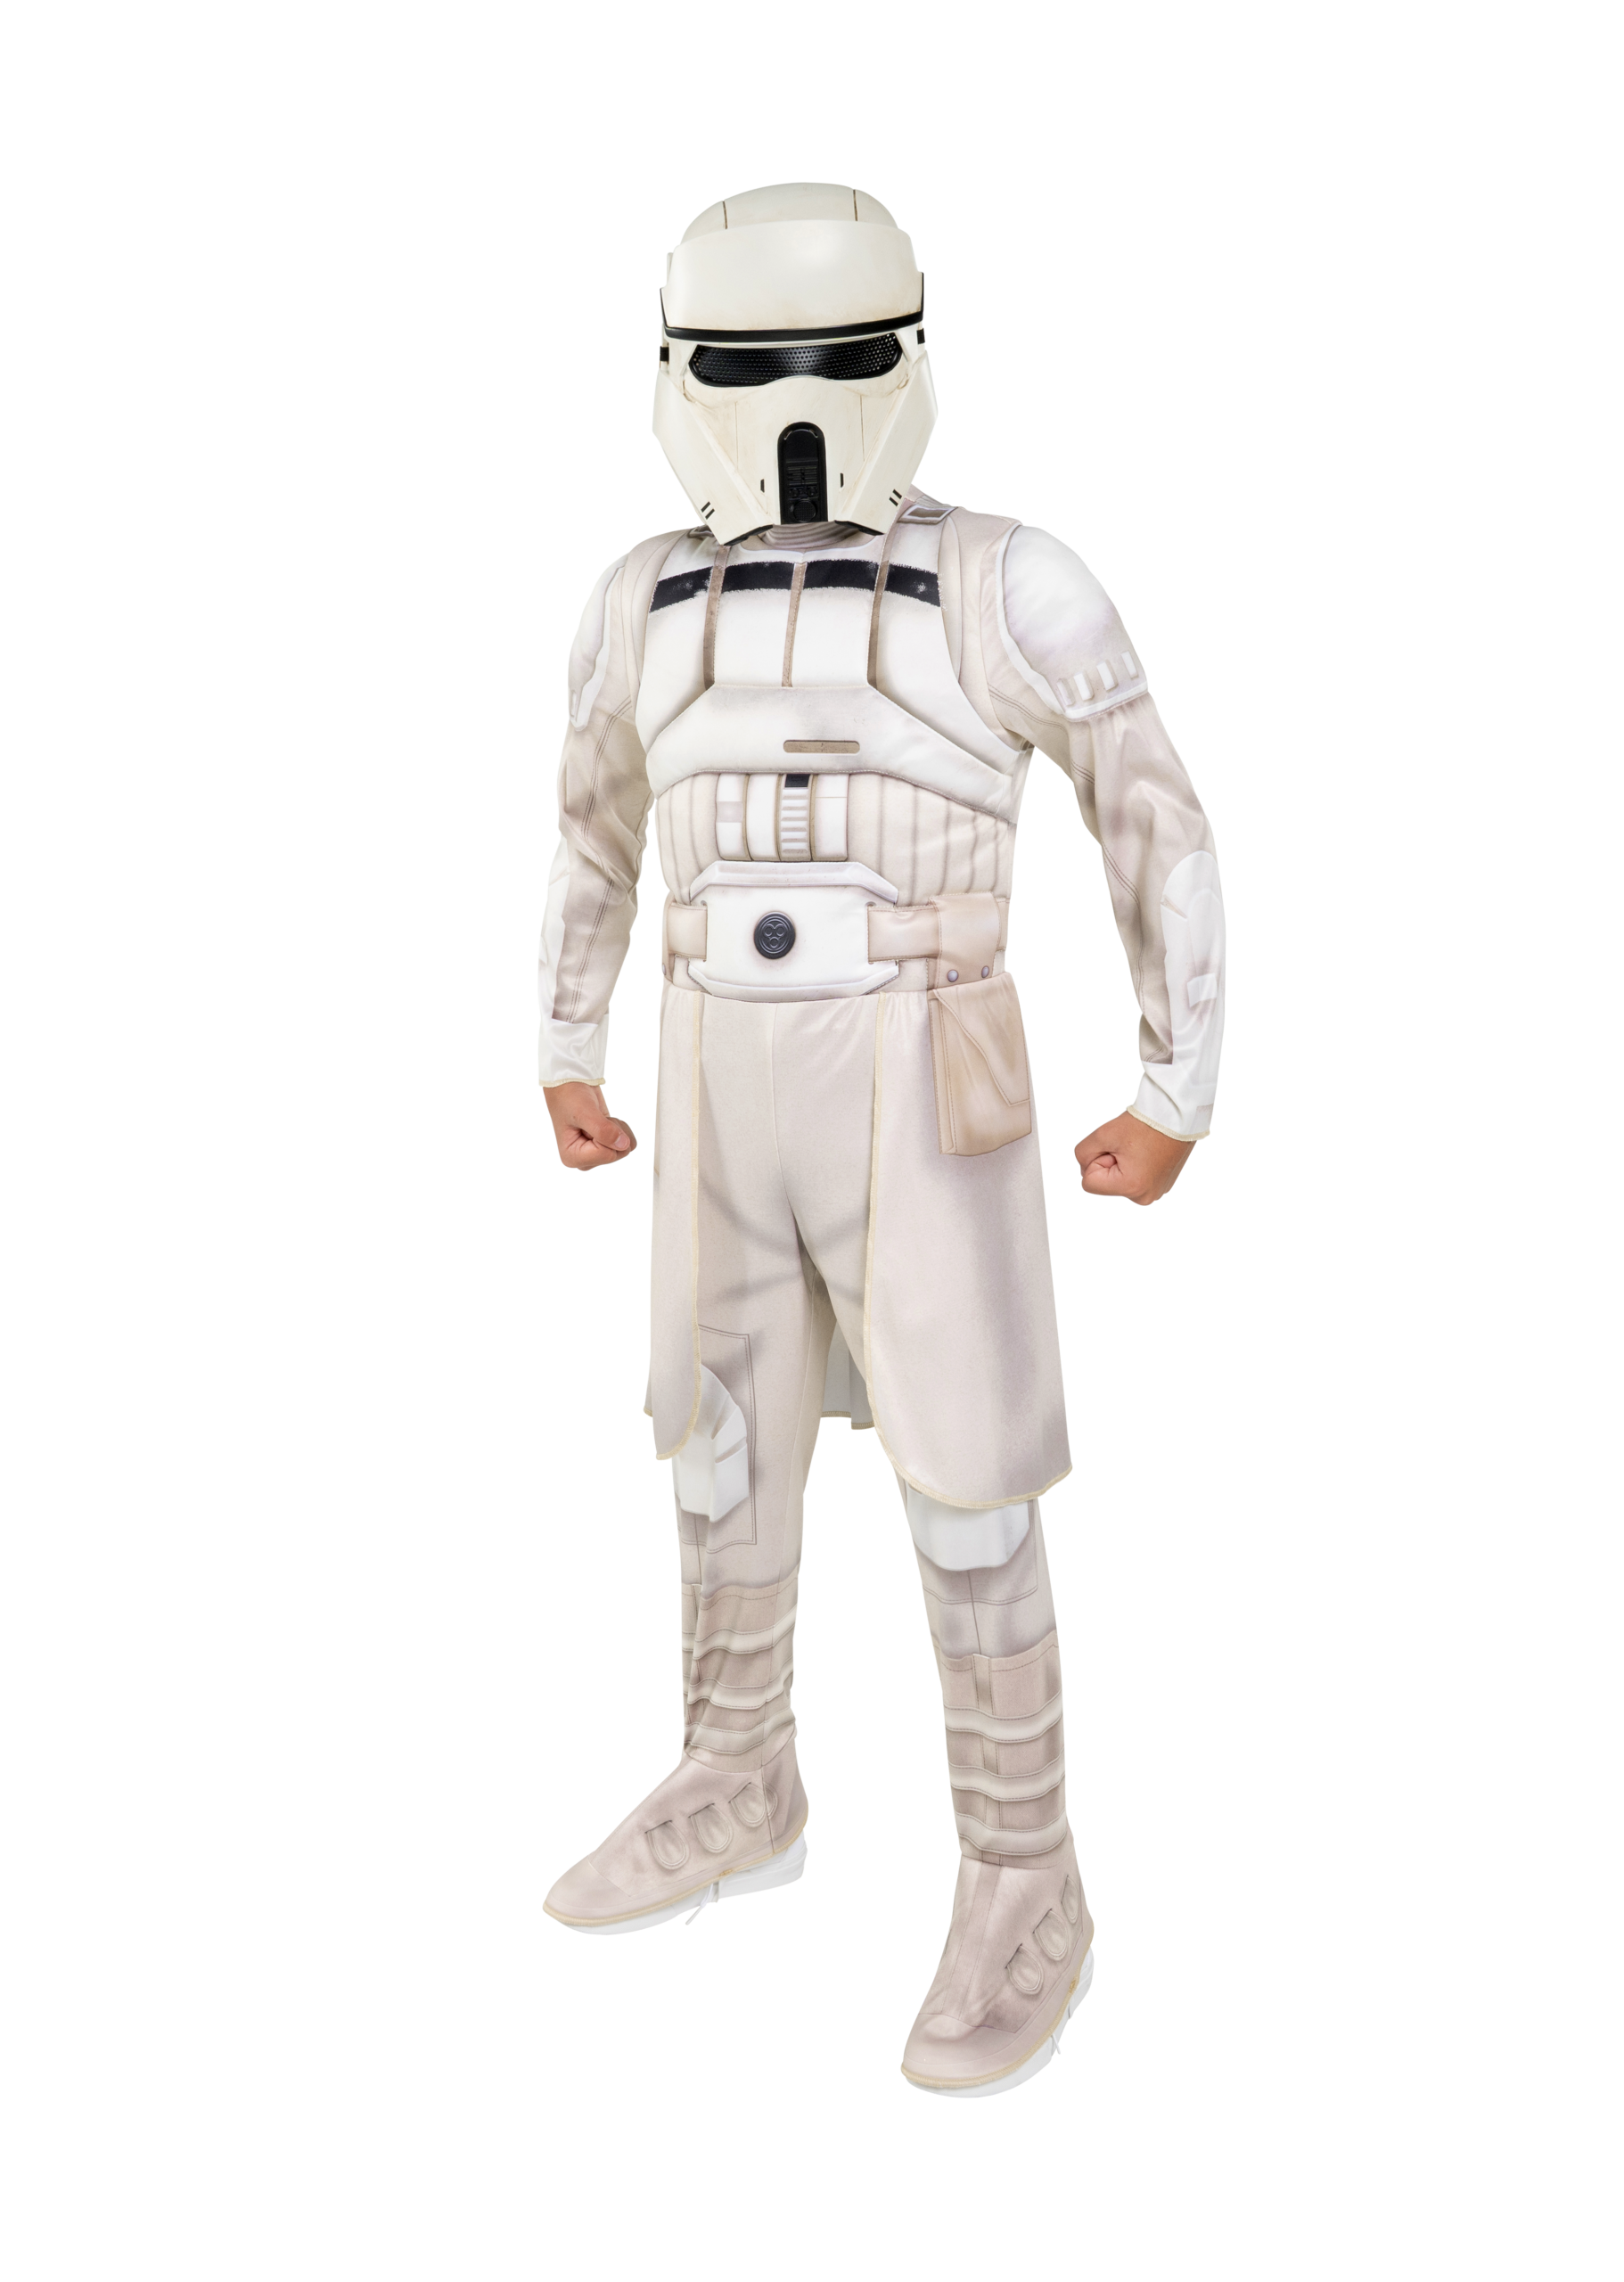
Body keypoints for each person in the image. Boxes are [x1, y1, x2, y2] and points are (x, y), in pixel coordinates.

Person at [533, 182, 1225, 2098]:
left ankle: (1025, 1880)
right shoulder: (637, 598)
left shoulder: (1008, 578)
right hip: (714, 1064)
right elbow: (593, 832)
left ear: (904, 357)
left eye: (829, 357)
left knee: (967, 1478)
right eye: (746, 364)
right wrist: (568, 1040)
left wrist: (1176, 1085)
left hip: (928, 1060)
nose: (789, 405)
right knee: (716, 1443)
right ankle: (736, 1778)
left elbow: (1150, 819)